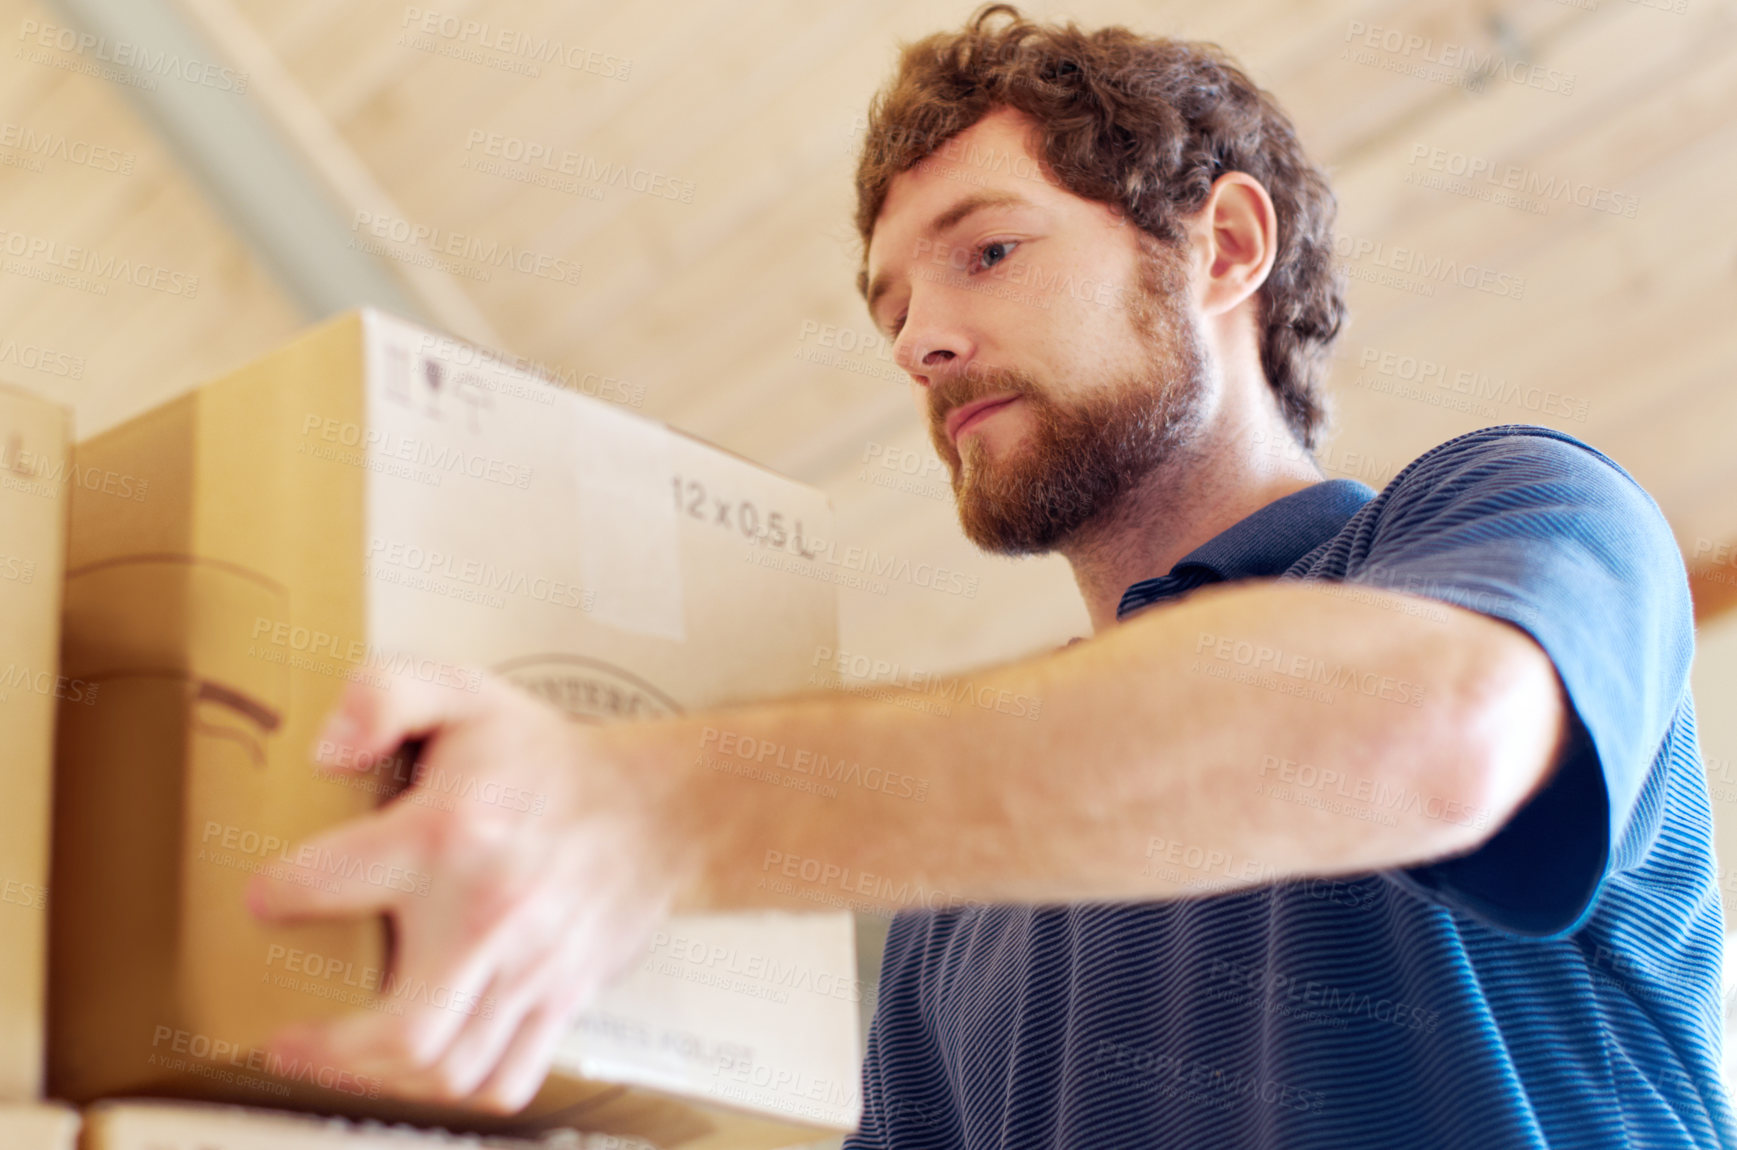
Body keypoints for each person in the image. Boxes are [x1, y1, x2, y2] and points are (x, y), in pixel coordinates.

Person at [248, 6, 1734, 1146]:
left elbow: (1433, 730)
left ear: (1220, 247)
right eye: (889, 302)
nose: (916, 341)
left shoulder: (1517, 512)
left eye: (987, 252)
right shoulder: (950, 915)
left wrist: (641, 808)